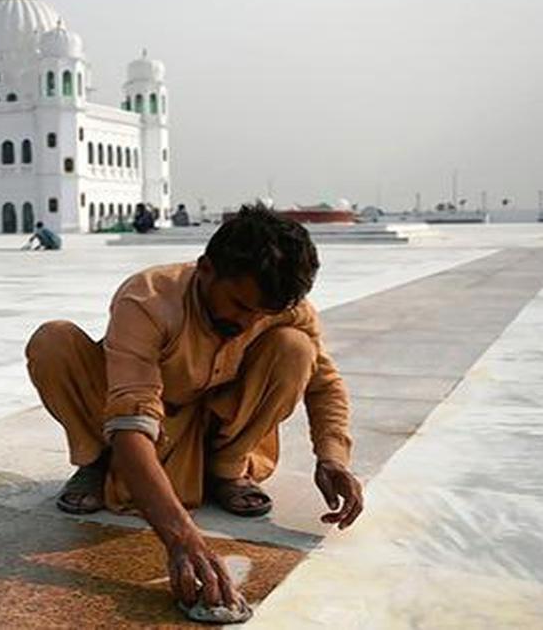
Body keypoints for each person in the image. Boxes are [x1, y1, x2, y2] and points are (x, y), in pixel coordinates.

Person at [25, 205, 363, 612]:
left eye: (261, 313)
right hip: (140, 425)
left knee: (296, 349)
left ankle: (228, 470)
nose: (247, 322)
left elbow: (324, 384)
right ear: (206, 269)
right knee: (52, 342)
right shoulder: (148, 298)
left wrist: (332, 458)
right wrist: (183, 539)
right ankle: (97, 463)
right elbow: (132, 417)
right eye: (239, 305)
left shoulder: (283, 307)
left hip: (213, 426)